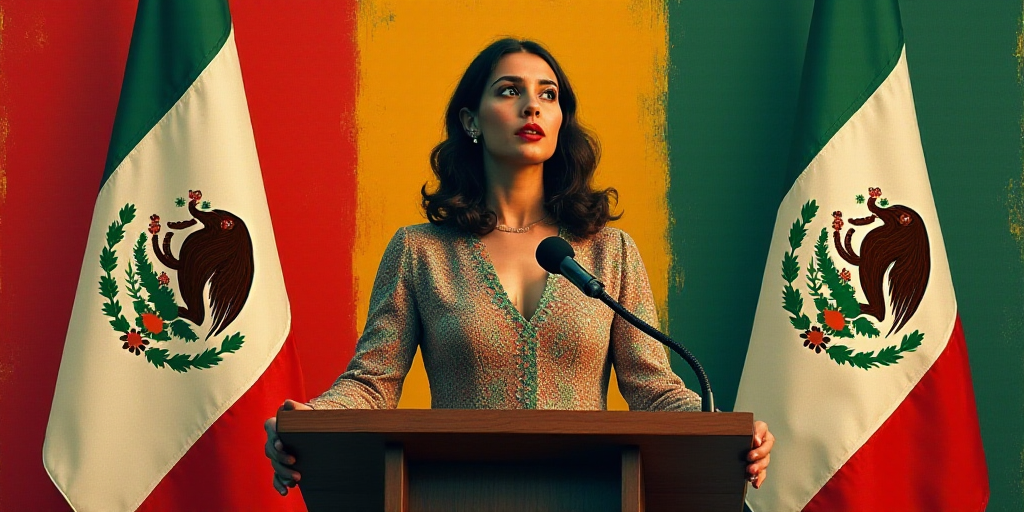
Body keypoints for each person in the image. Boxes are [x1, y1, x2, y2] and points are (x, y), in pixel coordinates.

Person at [264, 38, 774, 497]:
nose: (532, 105)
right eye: (510, 91)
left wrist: (724, 430)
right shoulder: (420, 251)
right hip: (453, 493)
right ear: (471, 121)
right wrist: (314, 418)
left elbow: (653, 389)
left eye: (548, 95)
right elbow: (373, 382)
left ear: (560, 121)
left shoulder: (610, 251)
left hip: (592, 492)